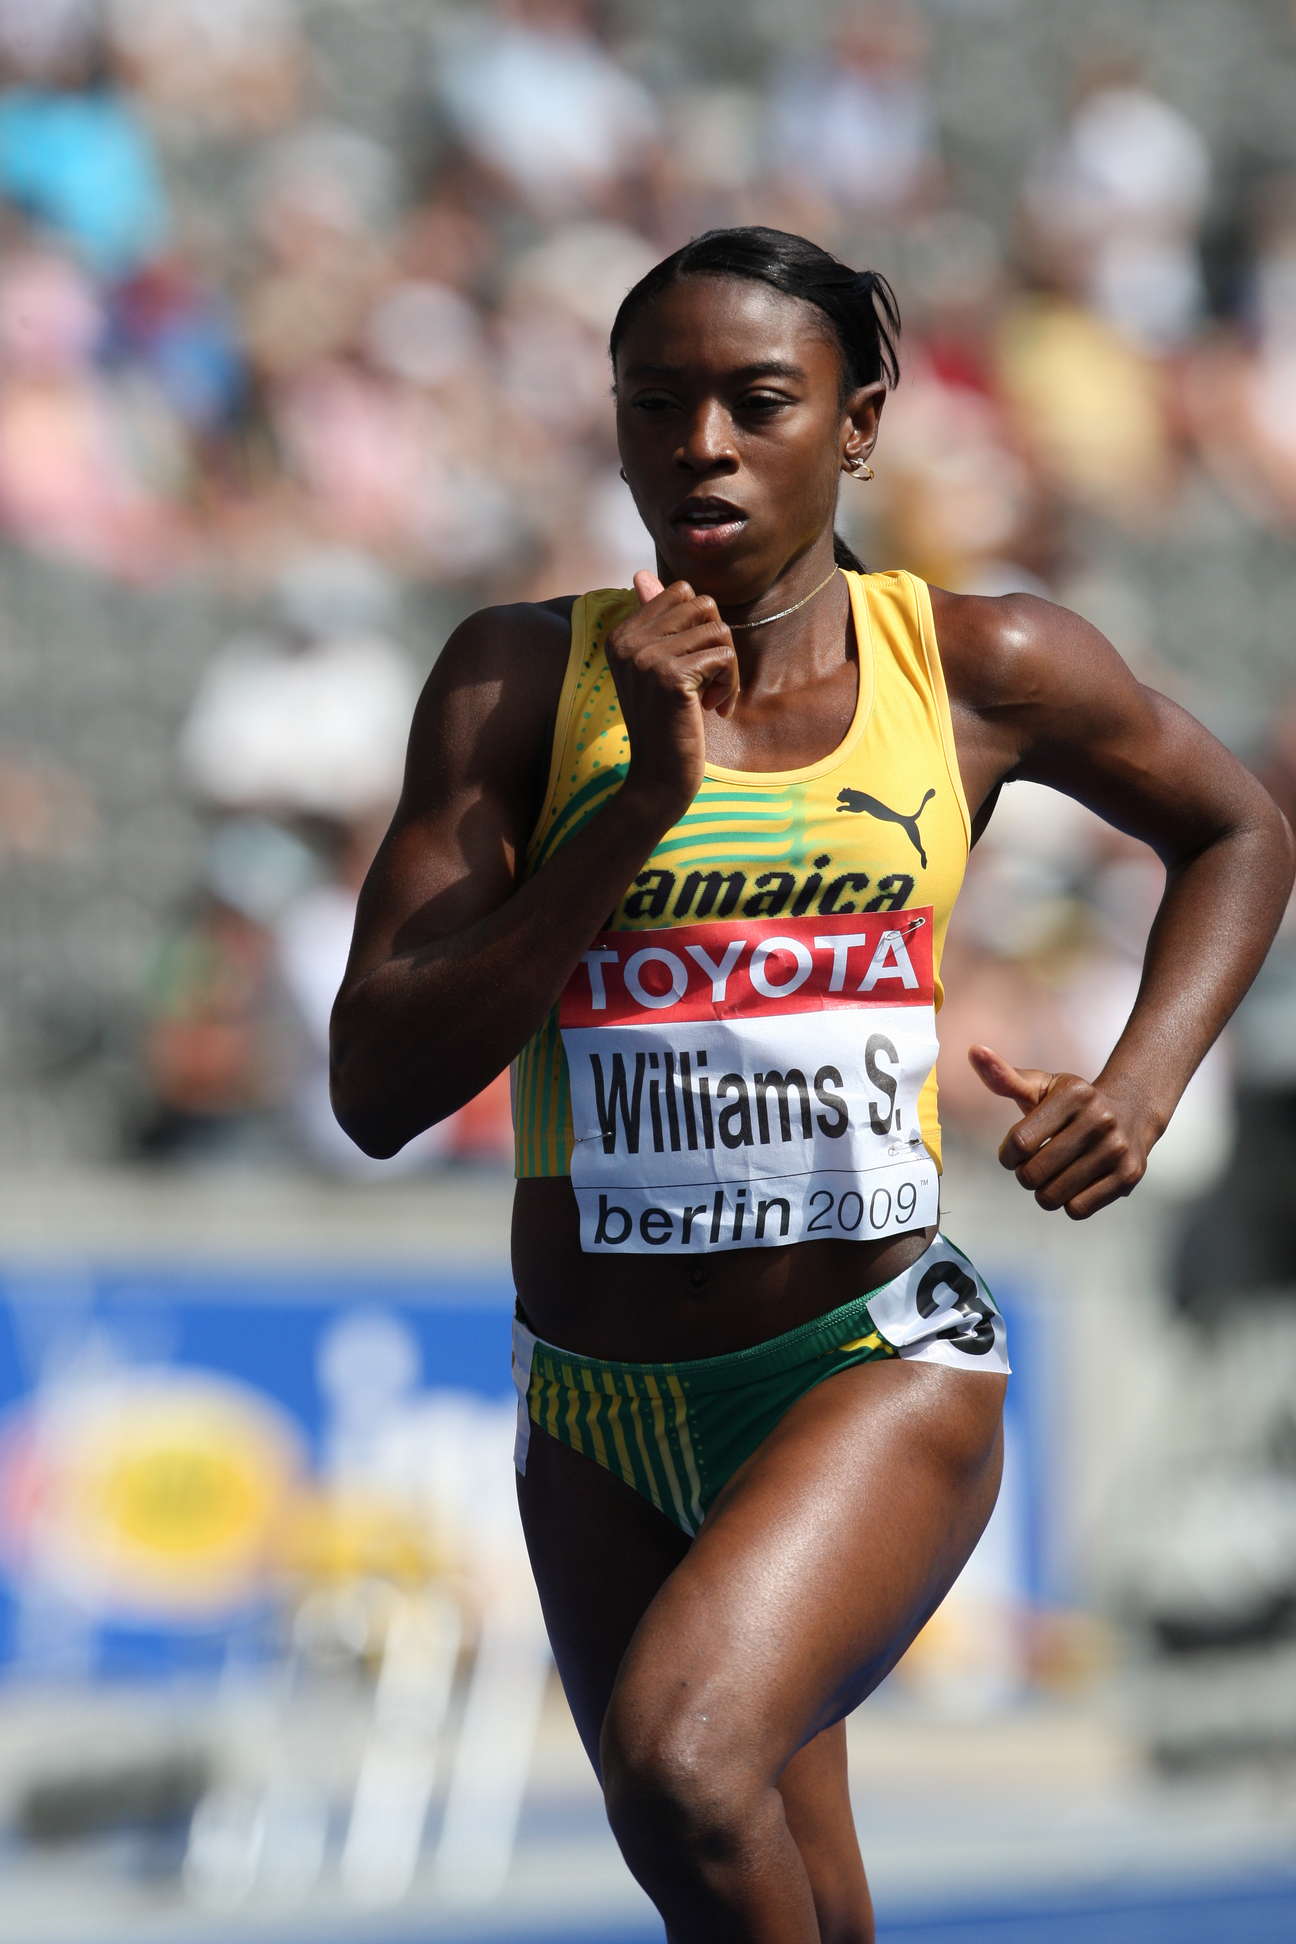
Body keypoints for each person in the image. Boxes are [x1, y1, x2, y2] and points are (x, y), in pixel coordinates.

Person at [329, 228, 1294, 1942]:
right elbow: (378, 1084)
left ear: (857, 426)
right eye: (655, 404)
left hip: (868, 1363)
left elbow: (1239, 831)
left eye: (756, 402)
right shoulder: (516, 683)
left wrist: (1141, 1089)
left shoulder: (980, 664)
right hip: (595, 1403)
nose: (700, 444)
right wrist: (631, 809)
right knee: (761, 1883)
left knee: (686, 1766)